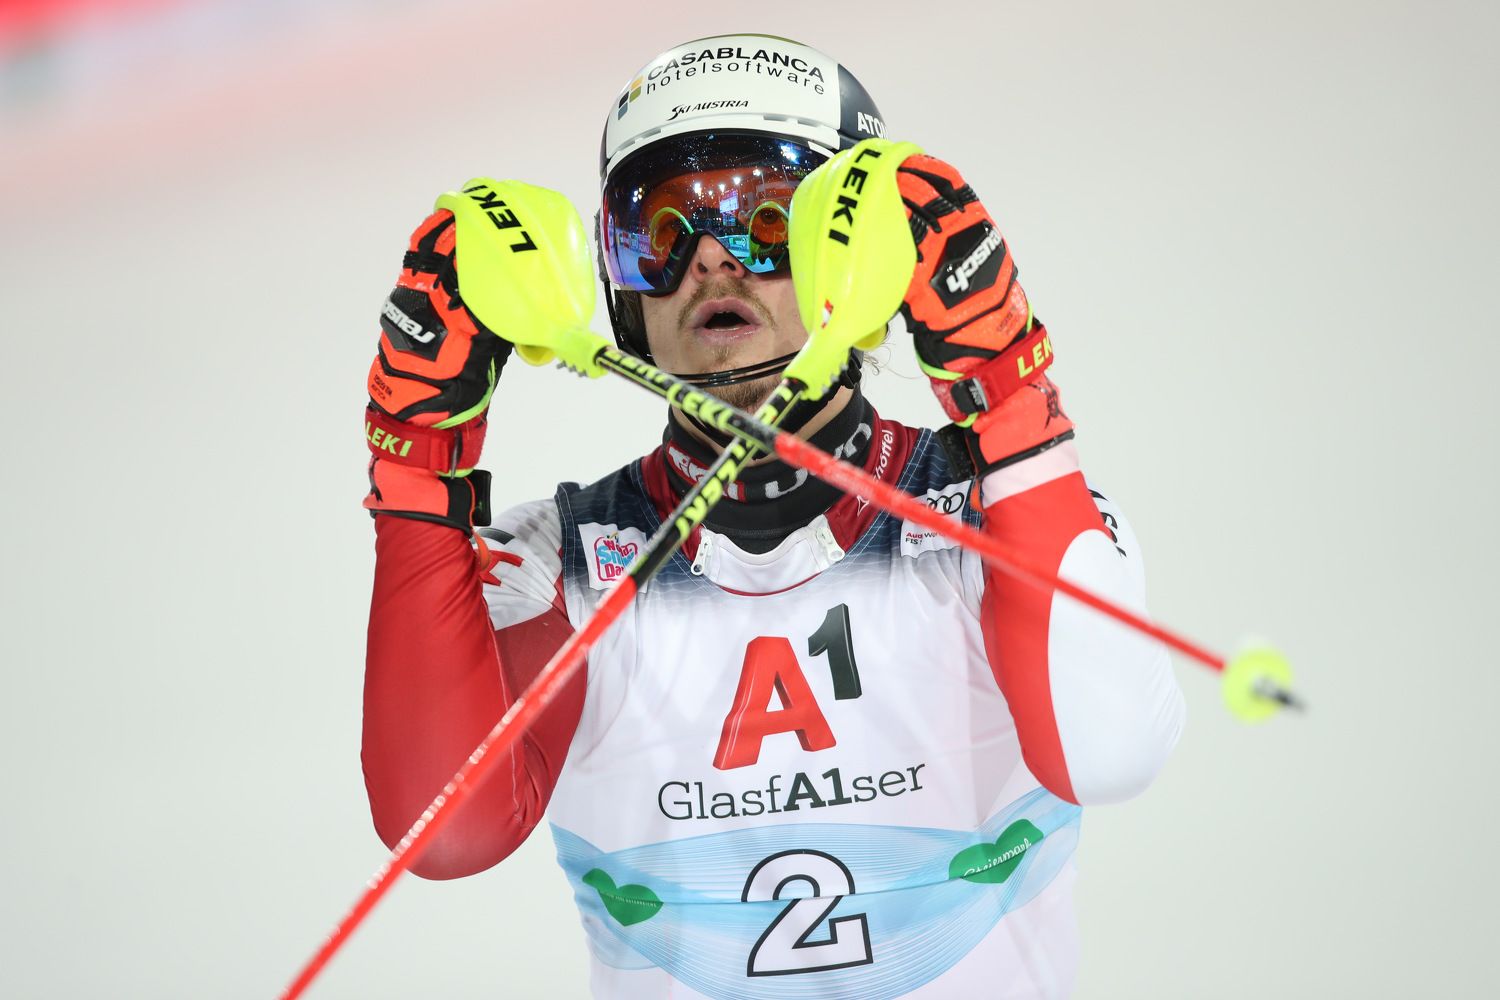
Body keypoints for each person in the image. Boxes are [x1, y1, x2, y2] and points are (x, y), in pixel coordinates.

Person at [360, 33, 1185, 1000]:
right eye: (658, 230)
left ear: (861, 259)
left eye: (766, 218)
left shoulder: (994, 512)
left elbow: (1111, 750)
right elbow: (445, 832)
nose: (710, 258)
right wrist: (415, 464)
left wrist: (1008, 393)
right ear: (620, 292)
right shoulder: (560, 565)